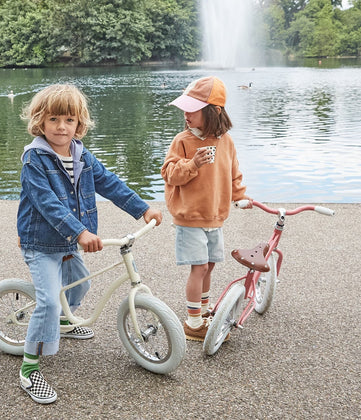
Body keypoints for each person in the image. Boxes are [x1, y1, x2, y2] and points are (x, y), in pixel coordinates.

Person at [17, 84, 162, 404]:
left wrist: (143, 209)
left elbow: (110, 183)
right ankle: (29, 369)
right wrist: (80, 232)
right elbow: (47, 203)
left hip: (68, 241)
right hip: (41, 242)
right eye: (53, 119)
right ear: (40, 122)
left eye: (68, 120)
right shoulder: (34, 159)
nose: (61, 127)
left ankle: (66, 324)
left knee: (79, 287)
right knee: (49, 303)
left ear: (78, 123)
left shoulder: (81, 154)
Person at [160, 76, 252, 341]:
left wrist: (239, 196)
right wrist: (193, 165)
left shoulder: (226, 142)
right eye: (185, 109)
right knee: (198, 267)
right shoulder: (183, 141)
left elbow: (233, 174)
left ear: (214, 111)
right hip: (190, 216)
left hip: (215, 216)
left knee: (210, 265)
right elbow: (169, 175)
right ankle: (192, 322)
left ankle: (203, 309)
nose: (186, 115)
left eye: (192, 110)